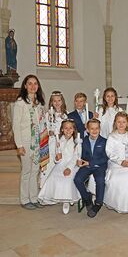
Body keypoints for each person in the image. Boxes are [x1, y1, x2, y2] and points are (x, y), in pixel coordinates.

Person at [13, 74, 48, 210]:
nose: (33, 86)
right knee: (27, 171)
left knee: (35, 171)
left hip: (38, 142)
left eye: (35, 84)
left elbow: (42, 122)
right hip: (26, 142)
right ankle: (24, 199)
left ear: (38, 86)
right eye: (30, 83)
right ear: (25, 86)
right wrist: (19, 145)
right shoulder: (20, 103)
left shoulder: (39, 104)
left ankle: (34, 198)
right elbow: (16, 125)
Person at [38, 119, 81, 214]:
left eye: (70, 128)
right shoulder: (59, 141)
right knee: (53, 176)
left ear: (74, 129)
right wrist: (58, 158)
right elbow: (56, 158)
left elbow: (75, 157)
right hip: (61, 164)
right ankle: (56, 196)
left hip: (72, 165)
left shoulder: (77, 141)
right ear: (62, 130)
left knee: (67, 179)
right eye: (66, 128)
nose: (68, 130)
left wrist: (69, 168)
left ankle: (67, 199)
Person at [74, 119, 108, 218]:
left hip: (99, 166)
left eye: (97, 128)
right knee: (77, 179)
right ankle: (87, 198)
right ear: (87, 130)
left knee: (100, 180)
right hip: (87, 165)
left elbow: (105, 158)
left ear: (100, 129)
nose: (94, 131)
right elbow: (81, 155)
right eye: (92, 129)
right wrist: (79, 161)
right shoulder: (83, 141)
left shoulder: (104, 141)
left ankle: (98, 203)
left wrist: (91, 163)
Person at [103, 111, 128, 213]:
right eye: (119, 122)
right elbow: (109, 152)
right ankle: (113, 202)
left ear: (127, 124)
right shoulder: (112, 136)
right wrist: (120, 162)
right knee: (114, 179)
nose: (121, 124)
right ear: (115, 123)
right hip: (115, 163)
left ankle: (123, 205)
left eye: (123, 122)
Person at [41, 91, 68, 187]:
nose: (57, 103)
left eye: (59, 100)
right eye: (54, 101)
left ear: (62, 101)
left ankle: (59, 188)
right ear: (51, 102)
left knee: (61, 164)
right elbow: (44, 129)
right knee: (50, 164)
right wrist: (49, 132)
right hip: (51, 142)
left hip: (62, 142)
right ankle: (46, 188)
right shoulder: (48, 115)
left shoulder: (66, 115)